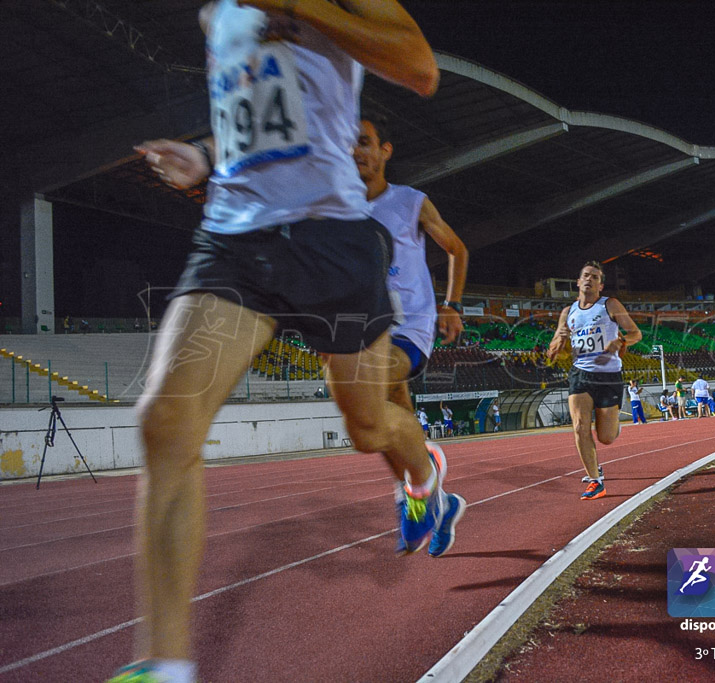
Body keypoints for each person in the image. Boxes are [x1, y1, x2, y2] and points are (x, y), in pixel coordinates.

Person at [119, 3, 449, 681]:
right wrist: (205, 154)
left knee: (366, 426)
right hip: (236, 235)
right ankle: (165, 664)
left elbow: (420, 70)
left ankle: (424, 477)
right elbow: (256, 106)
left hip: (331, 236)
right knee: (164, 420)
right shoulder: (216, 14)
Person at [354, 111, 468, 416]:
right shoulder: (338, 211)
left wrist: (452, 305)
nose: (355, 151)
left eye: (364, 142)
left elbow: (457, 249)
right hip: (365, 328)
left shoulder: (409, 201)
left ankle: (420, 460)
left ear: (385, 150)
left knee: (371, 380)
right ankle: (423, 461)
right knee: (395, 411)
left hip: (409, 327)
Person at [546, 261, 642, 500]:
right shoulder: (567, 313)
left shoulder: (610, 305)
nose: (589, 279)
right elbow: (559, 350)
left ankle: (612, 425)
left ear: (601, 285)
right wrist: (558, 347)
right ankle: (595, 480)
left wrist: (620, 342)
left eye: (595, 277)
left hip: (608, 375)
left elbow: (636, 333)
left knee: (606, 437)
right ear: (578, 282)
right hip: (580, 373)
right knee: (579, 427)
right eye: (586, 275)